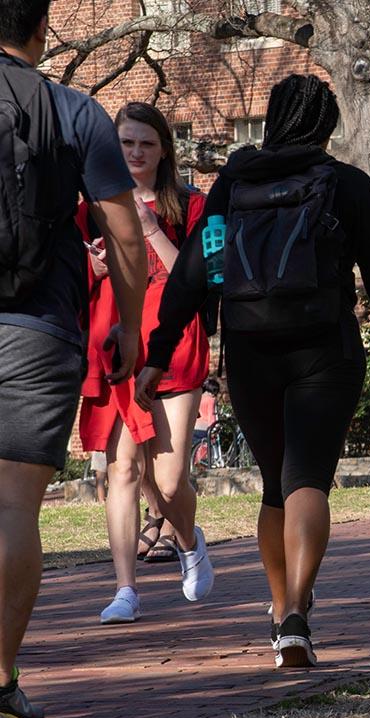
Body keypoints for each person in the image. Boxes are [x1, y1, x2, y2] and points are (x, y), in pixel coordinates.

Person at [137, 75, 370, 668]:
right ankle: (301, 612)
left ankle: (280, 616)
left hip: (251, 350)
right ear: (325, 126)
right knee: (310, 478)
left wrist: (159, 351)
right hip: (325, 349)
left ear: (274, 120)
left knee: (276, 483)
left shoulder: (232, 183)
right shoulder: (346, 183)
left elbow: (197, 270)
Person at [0, 0, 147, 718]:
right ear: (41, 29)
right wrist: (127, 328)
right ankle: (0, 681)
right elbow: (125, 236)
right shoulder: (75, 112)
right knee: (13, 507)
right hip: (39, 327)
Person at [78, 101, 214, 623]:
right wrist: (92, 264)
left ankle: (188, 540)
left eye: (146, 144)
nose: (135, 152)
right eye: (127, 142)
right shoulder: (91, 203)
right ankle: (125, 589)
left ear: (164, 150)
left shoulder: (190, 206)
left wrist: (150, 227)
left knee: (172, 478)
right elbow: (67, 271)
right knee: (123, 469)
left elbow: (196, 281)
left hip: (174, 339)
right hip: (113, 336)